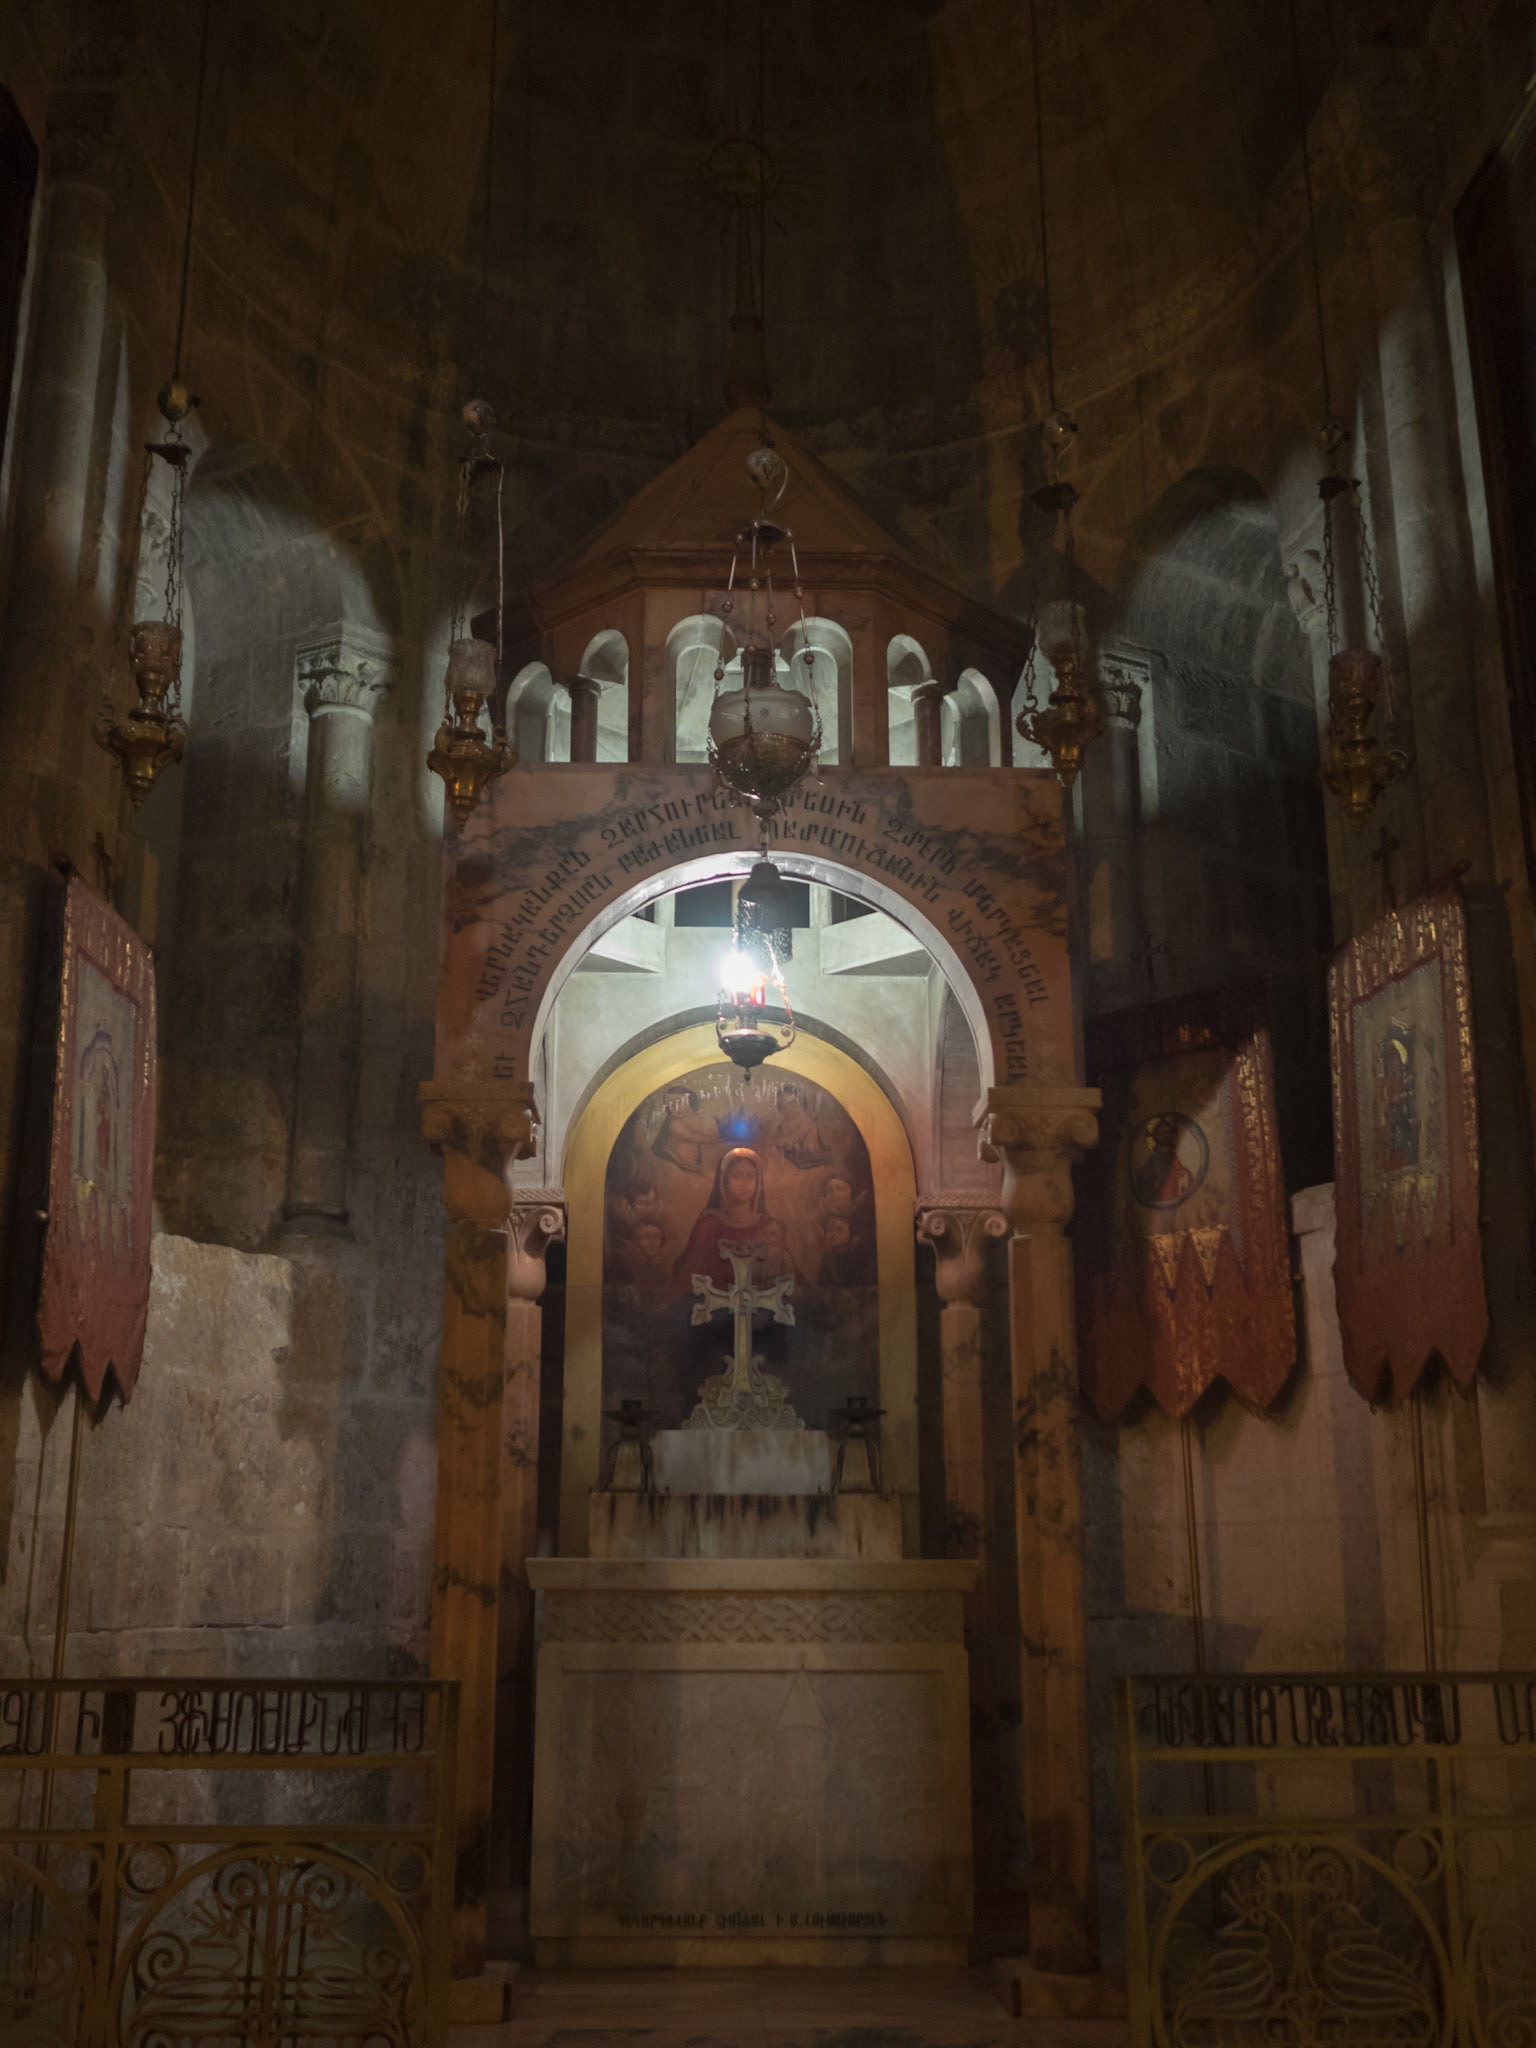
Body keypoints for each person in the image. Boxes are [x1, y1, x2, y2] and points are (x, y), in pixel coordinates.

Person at [673, 1146, 775, 1292]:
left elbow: (783, 1268)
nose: (745, 1183)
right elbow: (690, 1273)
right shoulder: (710, 1224)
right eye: (737, 1176)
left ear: (758, 1182)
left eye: (751, 1176)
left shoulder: (766, 1224)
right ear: (724, 1181)